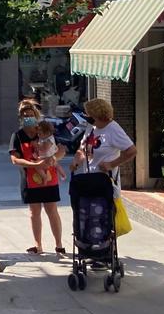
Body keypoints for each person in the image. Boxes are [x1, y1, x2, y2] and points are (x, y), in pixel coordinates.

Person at [10, 99, 65, 255]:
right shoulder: (18, 136)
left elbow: (61, 149)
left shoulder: (45, 130)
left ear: (36, 114)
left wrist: (54, 159)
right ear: (20, 117)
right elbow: (14, 159)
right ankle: (38, 244)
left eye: (30, 114)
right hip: (29, 180)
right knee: (34, 212)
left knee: (52, 210)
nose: (28, 117)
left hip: (50, 177)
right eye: (25, 115)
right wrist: (35, 165)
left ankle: (59, 244)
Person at [72, 98, 138, 193]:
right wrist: (76, 161)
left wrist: (112, 164)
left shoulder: (113, 129)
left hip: (106, 184)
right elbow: (82, 147)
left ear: (96, 115)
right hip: (89, 181)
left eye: (88, 114)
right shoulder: (91, 126)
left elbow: (132, 151)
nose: (86, 116)